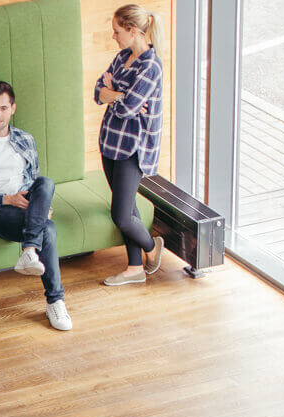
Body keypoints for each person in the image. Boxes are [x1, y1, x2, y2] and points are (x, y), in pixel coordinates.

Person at [0, 80, 72, 331]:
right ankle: (55, 299)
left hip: (23, 206)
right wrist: (8, 200)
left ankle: (29, 250)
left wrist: (36, 206)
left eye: (4, 108)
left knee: (46, 183)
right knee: (48, 230)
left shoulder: (25, 139)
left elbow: (33, 181)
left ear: (13, 108)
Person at [94, 4, 166, 286]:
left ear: (133, 31)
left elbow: (126, 107)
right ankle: (135, 268)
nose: (114, 37)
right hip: (110, 141)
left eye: (117, 31)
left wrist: (114, 93)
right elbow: (98, 91)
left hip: (133, 148)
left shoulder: (151, 66)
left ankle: (151, 248)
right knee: (128, 207)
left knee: (121, 215)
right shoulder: (123, 56)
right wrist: (114, 94)